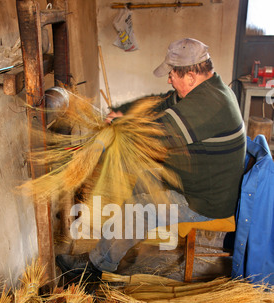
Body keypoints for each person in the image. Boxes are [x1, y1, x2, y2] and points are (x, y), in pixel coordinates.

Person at [56, 38, 246, 285]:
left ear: (190, 76)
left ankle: (95, 269)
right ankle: (107, 252)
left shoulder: (210, 104)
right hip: (196, 184)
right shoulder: (204, 90)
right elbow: (159, 103)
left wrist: (105, 144)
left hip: (206, 200)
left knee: (140, 211)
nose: (168, 79)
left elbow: (156, 134)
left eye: (171, 74)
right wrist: (122, 112)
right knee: (138, 187)